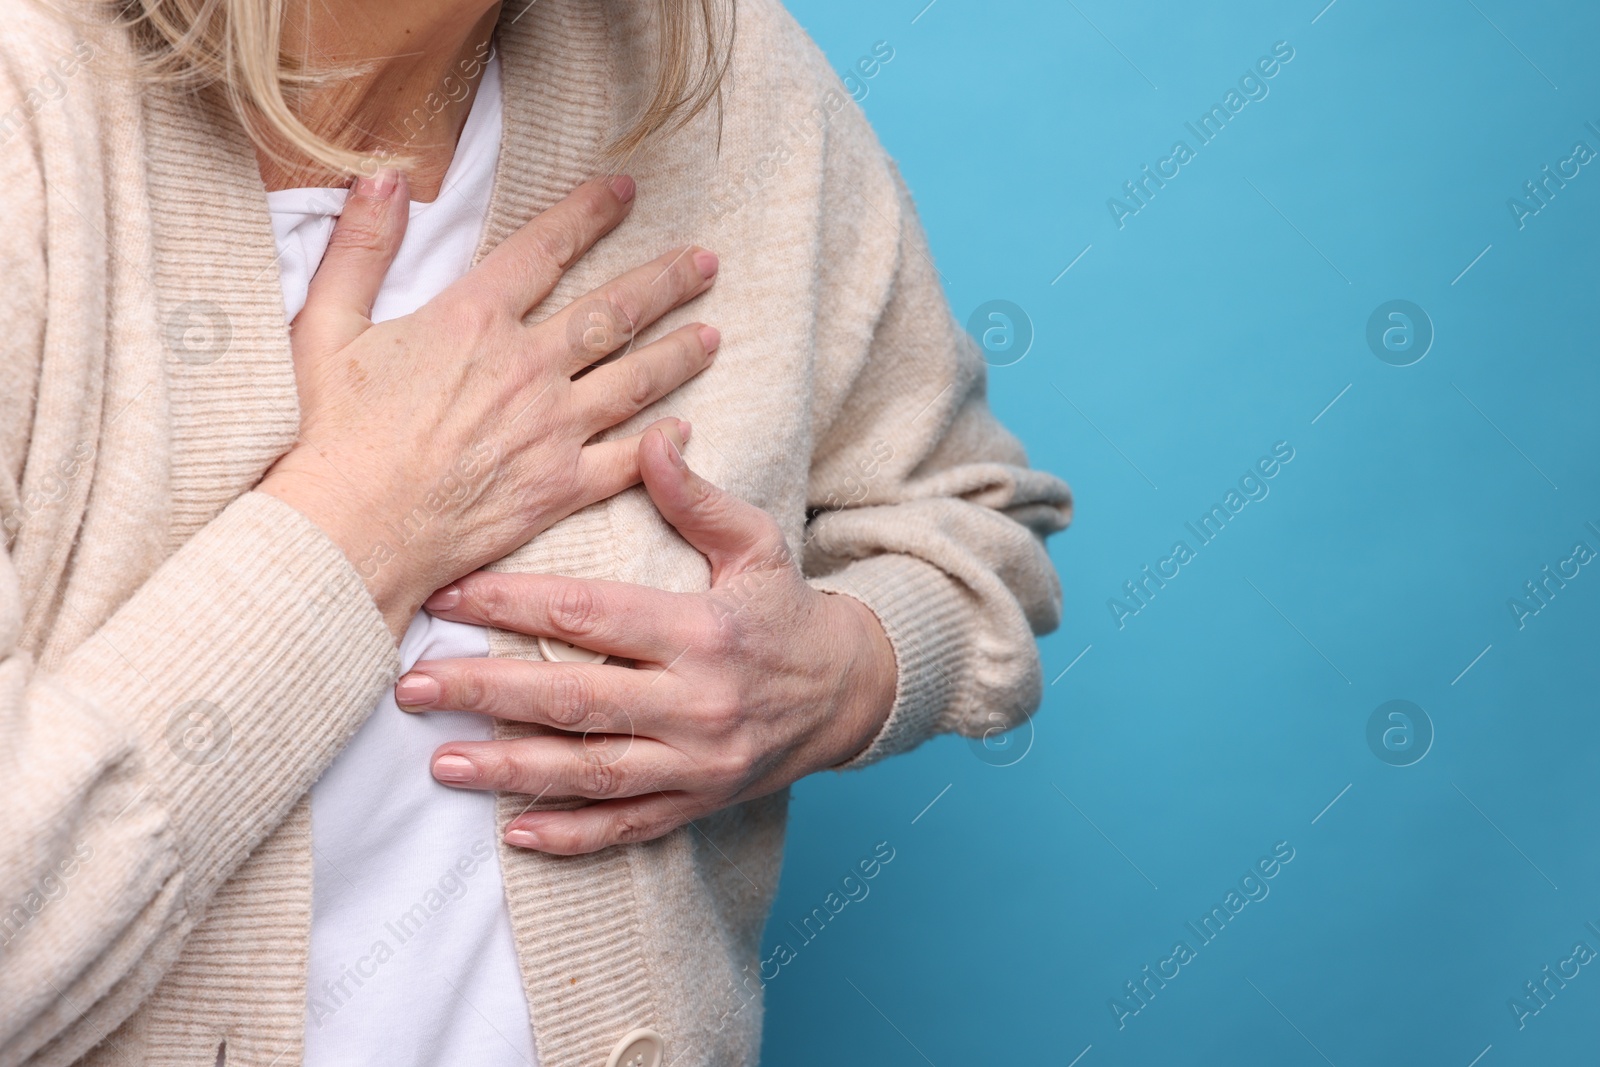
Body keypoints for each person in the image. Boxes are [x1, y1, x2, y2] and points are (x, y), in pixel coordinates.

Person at [0, 0, 1072, 1063]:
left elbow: (969, 523)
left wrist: (835, 674)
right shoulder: (27, 107)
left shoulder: (736, 76)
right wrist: (359, 529)